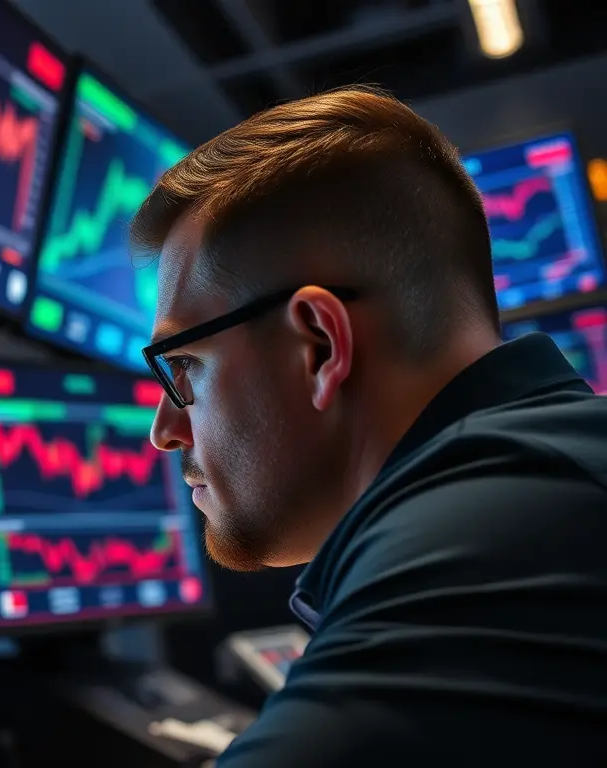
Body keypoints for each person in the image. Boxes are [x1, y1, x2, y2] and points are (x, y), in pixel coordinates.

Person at [131, 86, 607, 766]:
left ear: (320, 346)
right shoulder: (541, 473)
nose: (166, 428)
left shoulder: (477, 545)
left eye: (184, 365)